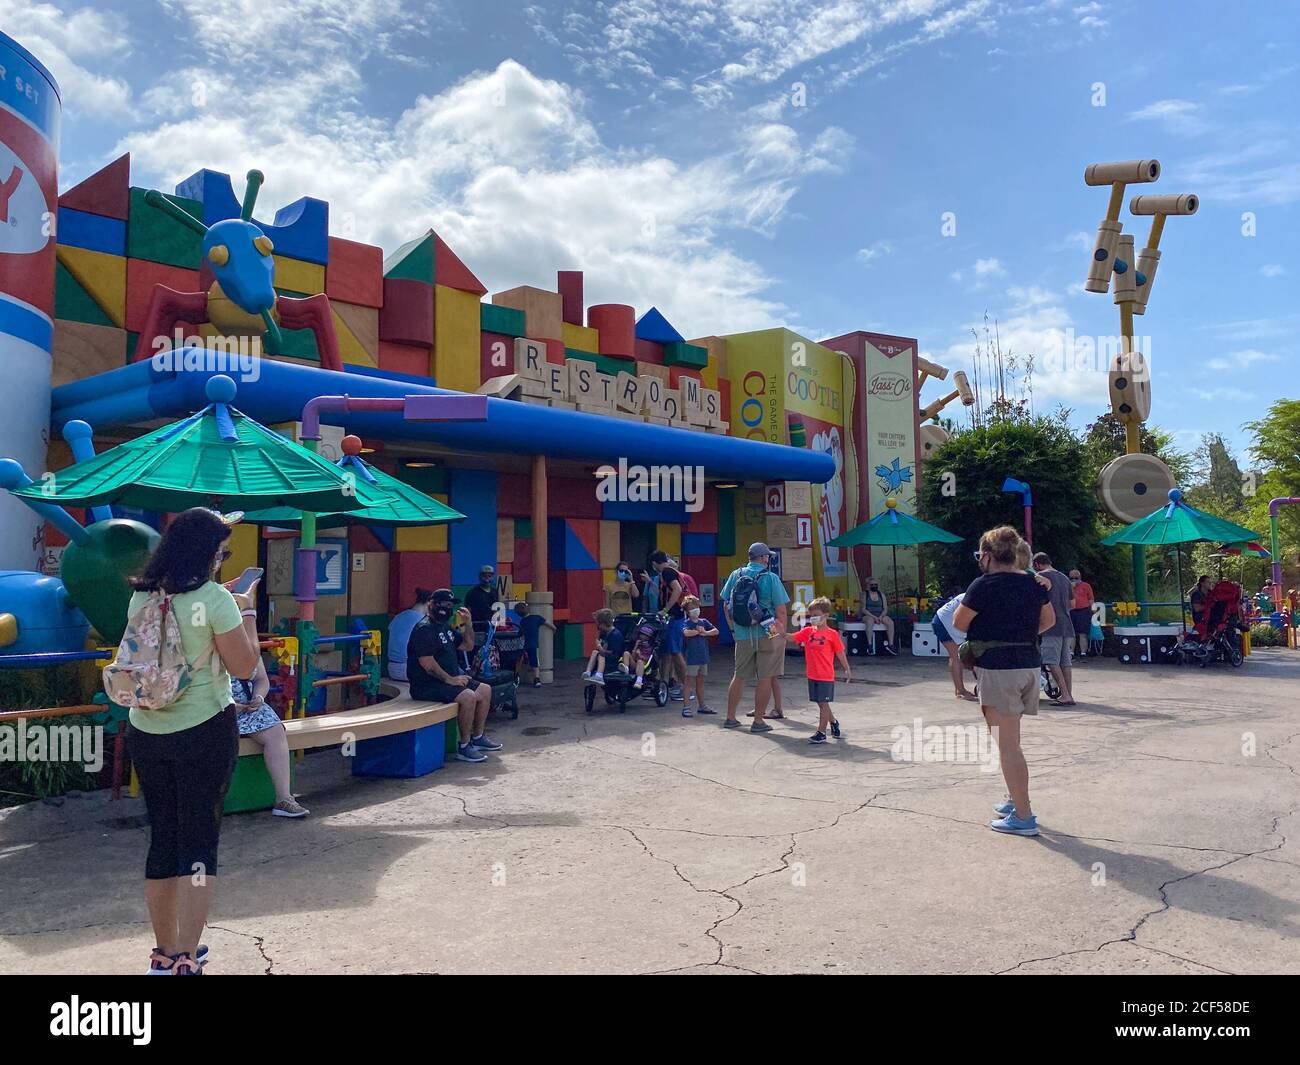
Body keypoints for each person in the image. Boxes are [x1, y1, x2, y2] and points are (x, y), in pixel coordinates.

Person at [123, 507, 263, 975]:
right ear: (207, 553)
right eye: (221, 551)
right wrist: (245, 608)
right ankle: (187, 955)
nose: (222, 558)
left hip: (147, 729)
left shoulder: (140, 597)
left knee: (163, 838)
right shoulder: (216, 600)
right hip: (203, 729)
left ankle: (162, 955)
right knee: (199, 841)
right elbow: (245, 668)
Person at [953, 526, 1054, 837]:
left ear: (987, 555)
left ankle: (1024, 817)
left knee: (1007, 745)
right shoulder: (1034, 584)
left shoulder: (983, 585)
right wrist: (1019, 635)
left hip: (998, 670)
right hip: (1028, 666)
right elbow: (1048, 621)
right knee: (1012, 740)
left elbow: (959, 622)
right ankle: (1015, 799)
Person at [407, 589, 501, 764]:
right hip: (427, 685)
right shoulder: (424, 629)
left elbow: (467, 645)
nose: (446, 608)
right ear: (431, 604)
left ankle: (478, 737)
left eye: (450, 605)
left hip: (448, 681)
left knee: (485, 690)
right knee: (468, 697)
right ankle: (464, 747)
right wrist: (450, 679)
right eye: (442, 604)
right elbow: (427, 663)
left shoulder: (445, 627)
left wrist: (468, 624)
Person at [720, 542, 789, 733]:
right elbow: (781, 611)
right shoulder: (771, 578)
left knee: (739, 676)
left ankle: (730, 717)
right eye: (768, 557)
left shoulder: (736, 575)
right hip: (766, 634)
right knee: (765, 677)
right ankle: (758, 721)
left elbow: (726, 605)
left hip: (742, 635)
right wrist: (780, 635)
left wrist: (733, 630)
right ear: (764, 558)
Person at [232, 659, 307, 818]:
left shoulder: (249, 643)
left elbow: (261, 679)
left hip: (249, 709)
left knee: (276, 732)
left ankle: (284, 798)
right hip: (212, 709)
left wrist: (258, 697)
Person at [789, 597, 851, 745]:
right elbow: (792, 638)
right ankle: (834, 722)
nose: (813, 618)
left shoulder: (832, 634)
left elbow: (840, 652)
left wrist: (847, 668)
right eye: (811, 615)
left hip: (825, 674)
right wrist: (778, 631)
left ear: (825, 615)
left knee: (823, 703)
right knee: (821, 702)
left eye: (816, 614)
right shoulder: (808, 631)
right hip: (812, 673)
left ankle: (821, 732)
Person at [1032, 551, 1077, 706]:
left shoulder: (1040, 578)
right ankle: (1069, 694)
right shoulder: (1065, 578)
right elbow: (1073, 605)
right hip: (1067, 624)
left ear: (1037, 564)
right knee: (1065, 661)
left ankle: (1064, 695)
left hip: (1051, 625)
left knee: (1050, 660)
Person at [649, 550, 686, 700]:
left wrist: (665, 609)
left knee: (676, 652)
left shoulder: (666, 572)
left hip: (674, 617)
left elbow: (677, 589)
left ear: (654, 563)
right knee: (666, 652)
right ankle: (663, 684)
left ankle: (685, 687)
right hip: (671, 618)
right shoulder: (670, 571)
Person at [933, 587, 977, 700]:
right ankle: (960, 690)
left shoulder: (978, 594)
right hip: (943, 622)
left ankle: (975, 686)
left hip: (952, 622)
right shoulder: (976, 598)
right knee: (956, 656)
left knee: (969, 655)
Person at [680, 595, 717, 717]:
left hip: (703, 657)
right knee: (688, 681)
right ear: (687, 611)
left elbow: (716, 631)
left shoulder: (704, 622)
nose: (695, 609)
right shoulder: (687, 623)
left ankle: (702, 705)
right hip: (692, 658)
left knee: (700, 682)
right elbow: (685, 633)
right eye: (691, 608)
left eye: (696, 606)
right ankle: (686, 707)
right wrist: (697, 632)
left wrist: (705, 632)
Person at [387, 588, 433, 681]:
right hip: (410, 670)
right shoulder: (424, 622)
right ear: (429, 603)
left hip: (391, 669)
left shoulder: (398, 617)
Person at [513, 600, 554, 687]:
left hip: (524, 645)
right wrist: (554, 629)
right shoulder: (537, 618)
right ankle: (537, 679)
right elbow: (549, 624)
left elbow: (519, 634)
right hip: (534, 645)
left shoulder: (522, 622)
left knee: (520, 661)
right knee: (535, 662)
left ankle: (516, 677)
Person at [582, 608, 625, 684]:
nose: (597, 625)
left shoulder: (616, 635)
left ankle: (599, 675)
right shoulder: (603, 633)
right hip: (605, 656)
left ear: (602, 623)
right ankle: (588, 672)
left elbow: (613, 653)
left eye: (598, 623)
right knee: (595, 652)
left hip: (613, 661)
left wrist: (600, 648)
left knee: (601, 655)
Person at [861, 578, 897, 655]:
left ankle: (891, 644)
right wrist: (874, 617)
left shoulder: (881, 595)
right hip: (869, 614)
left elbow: (885, 609)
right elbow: (863, 609)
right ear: (868, 586)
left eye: (876, 585)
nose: (874, 586)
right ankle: (869, 644)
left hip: (880, 614)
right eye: (872, 585)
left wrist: (880, 616)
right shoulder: (865, 595)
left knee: (890, 622)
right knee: (869, 621)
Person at [1068, 568, 1094, 658]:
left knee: (1083, 633)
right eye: (1071, 578)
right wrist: (1071, 587)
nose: (1074, 579)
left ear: (1079, 577)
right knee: (1072, 633)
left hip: (1084, 610)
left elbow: (1091, 598)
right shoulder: (1067, 586)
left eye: (1076, 577)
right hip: (1071, 610)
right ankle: (1071, 652)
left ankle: (1083, 653)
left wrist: (1091, 610)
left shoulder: (1086, 586)